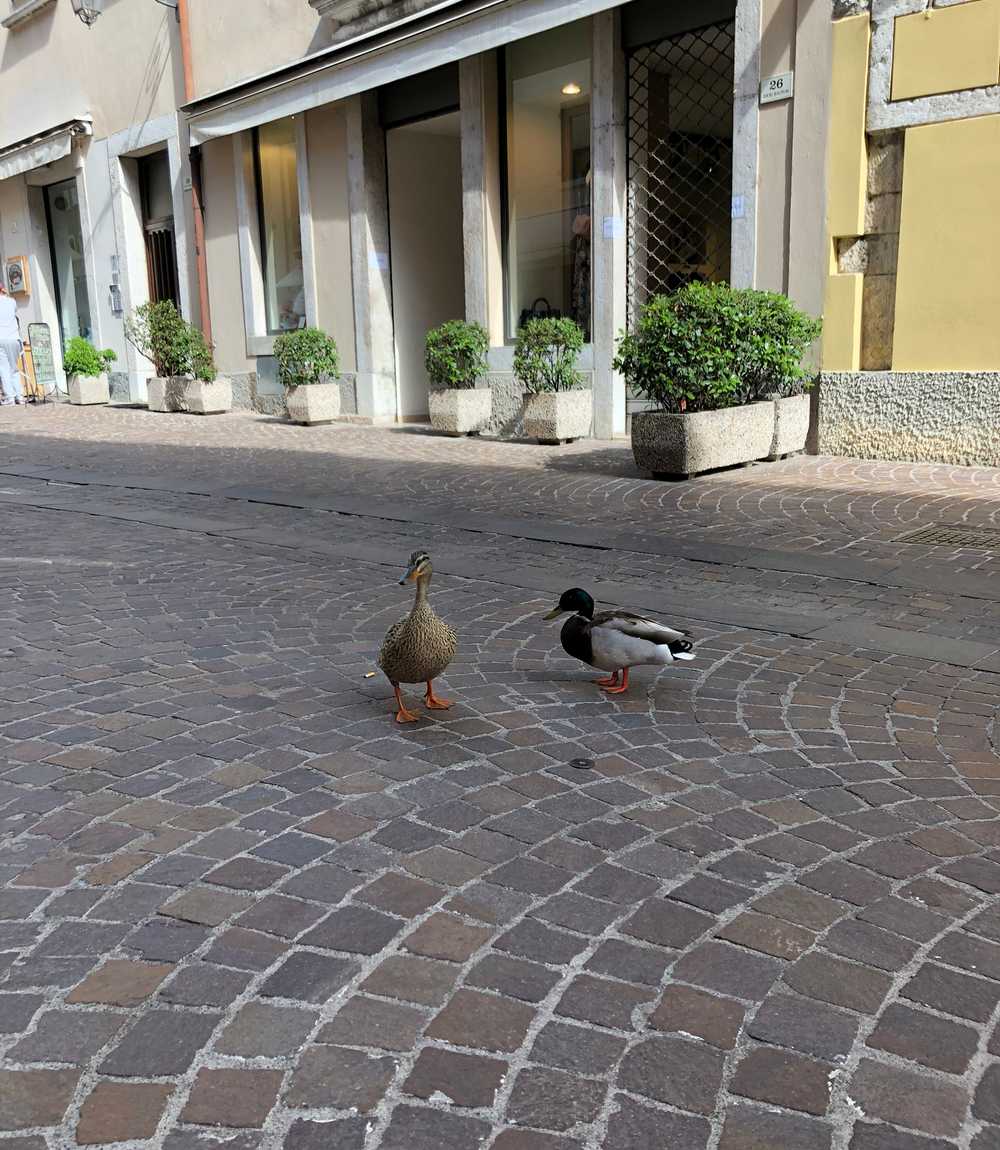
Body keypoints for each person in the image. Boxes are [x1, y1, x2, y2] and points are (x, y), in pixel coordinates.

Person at [0, 285, 23, 406]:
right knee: (14, 368)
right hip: (14, 339)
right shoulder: (12, 301)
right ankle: (20, 396)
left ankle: (10, 397)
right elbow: (14, 310)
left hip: (1, 339)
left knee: (4, 369)